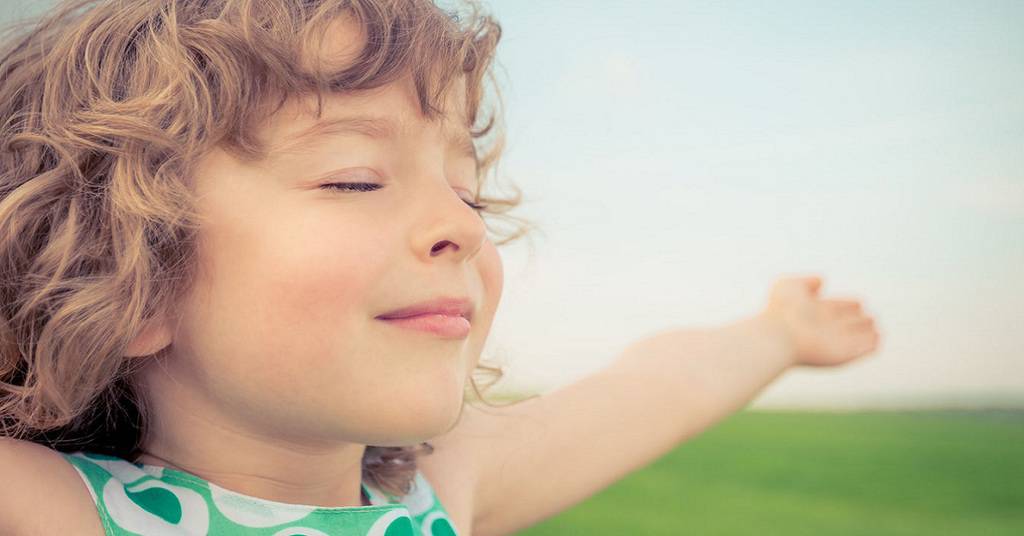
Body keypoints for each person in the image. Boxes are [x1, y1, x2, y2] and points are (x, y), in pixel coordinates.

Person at [0, 1, 881, 535]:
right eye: (353, 178)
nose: (456, 226)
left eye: (470, 193)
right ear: (126, 275)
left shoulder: (441, 489)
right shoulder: (51, 511)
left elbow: (652, 391)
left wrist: (777, 334)